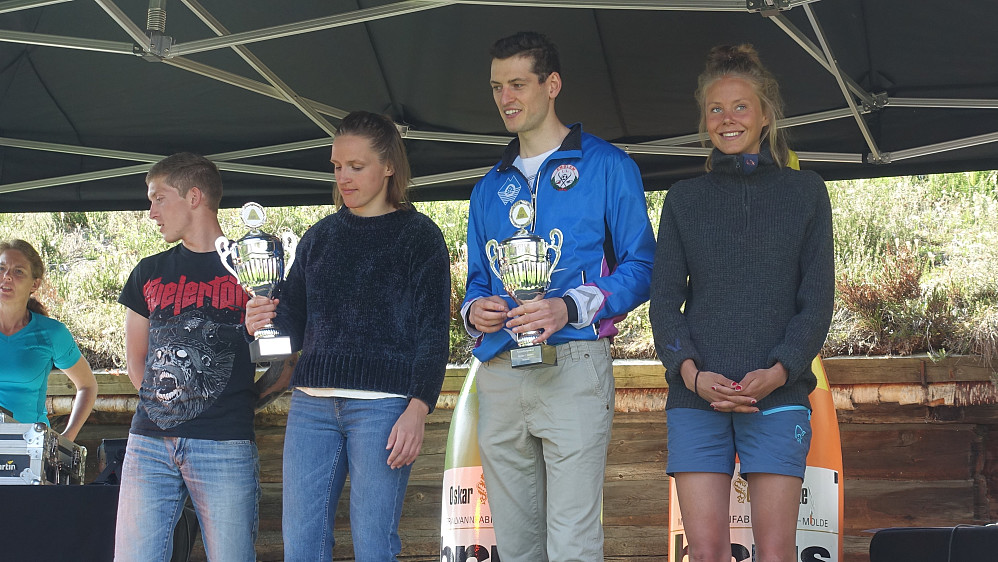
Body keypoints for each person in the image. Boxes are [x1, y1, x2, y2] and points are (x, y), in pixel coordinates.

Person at [462, 31, 656, 562]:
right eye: (497, 87)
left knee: (571, 540)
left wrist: (569, 306)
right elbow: (476, 281)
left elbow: (642, 267)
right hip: (501, 368)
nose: (506, 98)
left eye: (518, 84)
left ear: (552, 85)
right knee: (518, 545)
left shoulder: (608, 166)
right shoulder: (487, 187)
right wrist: (474, 311)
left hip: (573, 364)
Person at [649, 44, 835, 562]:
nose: (727, 119)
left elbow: (817, 300)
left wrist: (779, 371)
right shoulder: (684, 199)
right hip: (695, 398)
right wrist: (689, 373)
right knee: (706, 553)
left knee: (776, 553)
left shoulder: (806, 192)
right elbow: (664, 301)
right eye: (715, 109)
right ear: (703, 118)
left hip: (777, 395)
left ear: (766, 116)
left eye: (740, 107)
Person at [244, 111, 451, 562]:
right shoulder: (319, 237)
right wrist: (262, 321)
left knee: (374, 545)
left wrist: (419, 407)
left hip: (385, 409)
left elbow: (434, 332)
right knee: (301, 544)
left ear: (389, 165)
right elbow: (293, 323)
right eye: (337, 166)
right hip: (310, 407)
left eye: (356, 166)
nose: (344, 177)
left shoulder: (421, 237)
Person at [115, 153, 259, 562]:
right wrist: (167, 410)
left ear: (194, 196)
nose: (151, 212)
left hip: (225, 442)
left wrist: (241, 402)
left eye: (158, 198)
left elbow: (284, 359)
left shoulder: (253, 269)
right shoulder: (148, 271)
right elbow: (135, 361)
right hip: (148, 442)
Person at [0, 239, 97, 441]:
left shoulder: (51, 333)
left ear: (34, 284)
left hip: (29, 452)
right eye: (1, 268)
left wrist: (66, 439)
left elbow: (88, 386)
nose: (7, 276)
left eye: (18, 271)